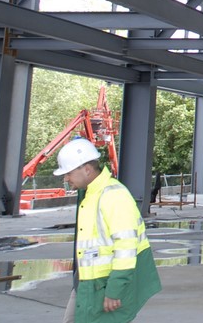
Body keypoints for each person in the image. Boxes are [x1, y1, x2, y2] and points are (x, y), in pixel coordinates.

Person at [53, 138, 161, 323]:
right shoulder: (90, 194)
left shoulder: (113, 195)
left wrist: (114, 290)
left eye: (68, 173)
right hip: (89, 281)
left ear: (87, 169)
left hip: (105, 282)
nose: (66, 179)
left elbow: (126, 247)